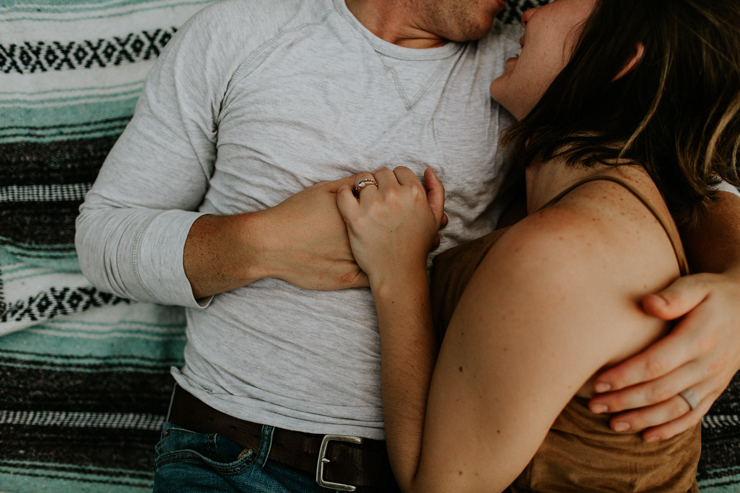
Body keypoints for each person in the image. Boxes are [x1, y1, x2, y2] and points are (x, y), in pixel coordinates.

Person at [74, 0, 740, 490]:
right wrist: (262, 242)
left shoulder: (520, 72)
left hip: (422, 460)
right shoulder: (238, 33)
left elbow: (671, 169)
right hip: (233, 455)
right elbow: (104, 235)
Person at [334, 0, 740, 491]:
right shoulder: (608, 207)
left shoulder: (564, 254)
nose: (527, 14)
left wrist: (398, 273)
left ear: (616, 62)